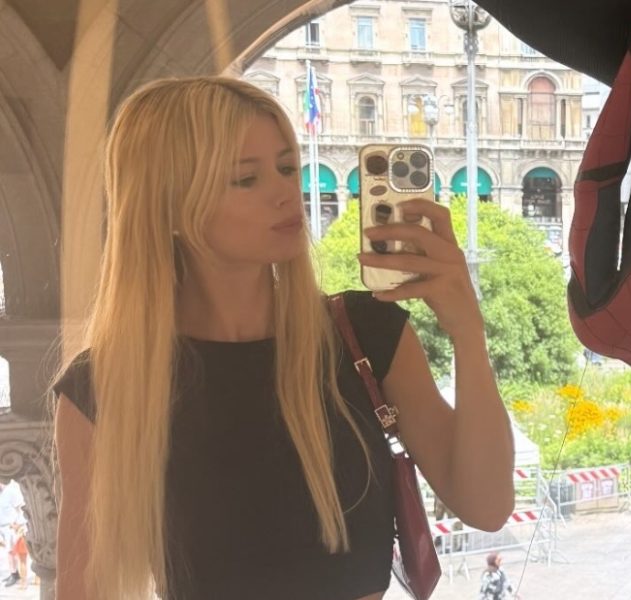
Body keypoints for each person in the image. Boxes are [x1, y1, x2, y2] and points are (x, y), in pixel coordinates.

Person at [51, 77, 515, 600]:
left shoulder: (364, 335)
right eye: (246, 178)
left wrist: (467, 333)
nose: (285, 192)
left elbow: (486, 506)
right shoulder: (104, 388)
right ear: (168, 207)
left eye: (287, 168)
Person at [0, 479, 25, 587]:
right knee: (8, 552)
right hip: (3, 527)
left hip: (11, 527)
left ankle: (15, 575)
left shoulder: (11, 490)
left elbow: (21, 507)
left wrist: (19, 523)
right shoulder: (1, 494)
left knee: (11, 552)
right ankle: (13, 572)